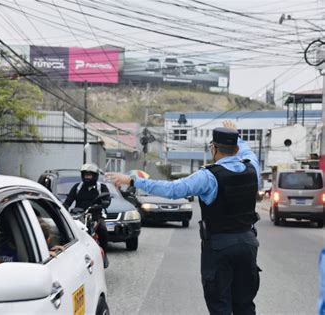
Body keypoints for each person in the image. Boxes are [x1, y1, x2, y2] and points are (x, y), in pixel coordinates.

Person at [108, 120, 261, 315]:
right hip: (248, 244)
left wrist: (133, 180)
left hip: (220, 246)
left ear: (213, 148)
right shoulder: (252, 168)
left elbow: (173, 190)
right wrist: (236, 135)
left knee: (220, 305)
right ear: (237, 148)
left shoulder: (208, 176)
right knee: (245, 304)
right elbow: (248, 154)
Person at [63, 163, 111, 255]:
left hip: (95, 216)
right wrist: (64, 208)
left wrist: (105, 203)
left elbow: (107, 199)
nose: (87, 177)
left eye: (89, 175)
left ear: (95, 176)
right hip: (78, 216)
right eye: (86, 175)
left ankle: (104, 255)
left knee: (103, 230)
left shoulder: (101, 187)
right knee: (67, 231)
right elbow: (68, 201)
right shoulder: (77, 187)